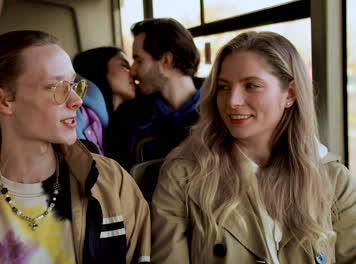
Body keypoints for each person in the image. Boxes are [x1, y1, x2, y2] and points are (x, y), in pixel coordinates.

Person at [0, 30, 151, 264]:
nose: (76, 101)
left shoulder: (112, 183)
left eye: (72, 85)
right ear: (2, 100)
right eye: (55, 87)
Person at [151, 31, 356, 263]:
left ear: (290, 94)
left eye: (251, 85)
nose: (232, 101)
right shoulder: (183, 174)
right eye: (223, 87)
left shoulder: (334, 179)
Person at [105, 18, 204, 171]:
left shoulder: (219, 111)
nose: (132, 71)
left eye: (139, 60)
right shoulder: (127, 116)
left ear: (166, 60)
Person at [72, 47, 136, 154]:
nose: (133, 73)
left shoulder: (117, 122)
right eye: (125, 66)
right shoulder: (78, 113)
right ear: (98, 68)